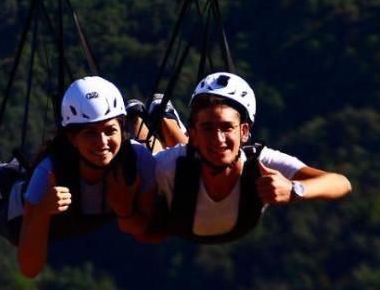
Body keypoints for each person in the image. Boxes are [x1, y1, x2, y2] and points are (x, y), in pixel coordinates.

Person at [0, 76, 160, 278]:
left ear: (122, 127)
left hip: (83, 217)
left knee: (20, 179)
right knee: (9, 225)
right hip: (32, 209)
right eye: (90, 132)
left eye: (110, 130)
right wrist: (42, 210)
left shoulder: (138, 161)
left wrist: (124, 208)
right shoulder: (50, 172)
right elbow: (29, 269)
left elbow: (148, 231)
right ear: (72, 138)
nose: (102, 143)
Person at [151, 72, 352, 243]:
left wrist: (295, 189)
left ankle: (165, 118)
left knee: (197, 151)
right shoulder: (167, 165)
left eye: (227, 127)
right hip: (187, 222)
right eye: (208, 128)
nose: (218, 138)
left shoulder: (260, 163)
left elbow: (341, 183)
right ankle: (156, 120)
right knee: (168, 155)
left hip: (206, 224)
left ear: (244, 131)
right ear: (193, 132)